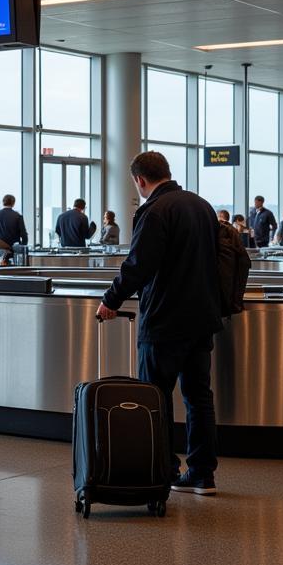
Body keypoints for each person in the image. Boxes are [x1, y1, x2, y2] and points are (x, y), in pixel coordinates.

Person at [96, 151, 222, 496]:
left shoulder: (153, 211)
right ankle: (202, 475)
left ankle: (164, 469)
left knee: (155, 397)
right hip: (202, 317)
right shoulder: (202, 206)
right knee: (199, 398)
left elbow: (139, 264)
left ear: (140, 180)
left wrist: (111, 300)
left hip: (165, 319)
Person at [0, 194, 28, 263]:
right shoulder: (17, 216)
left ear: (3, 202)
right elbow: (24, 236)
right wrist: (22, 250)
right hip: (12, 252)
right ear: (13, 203)